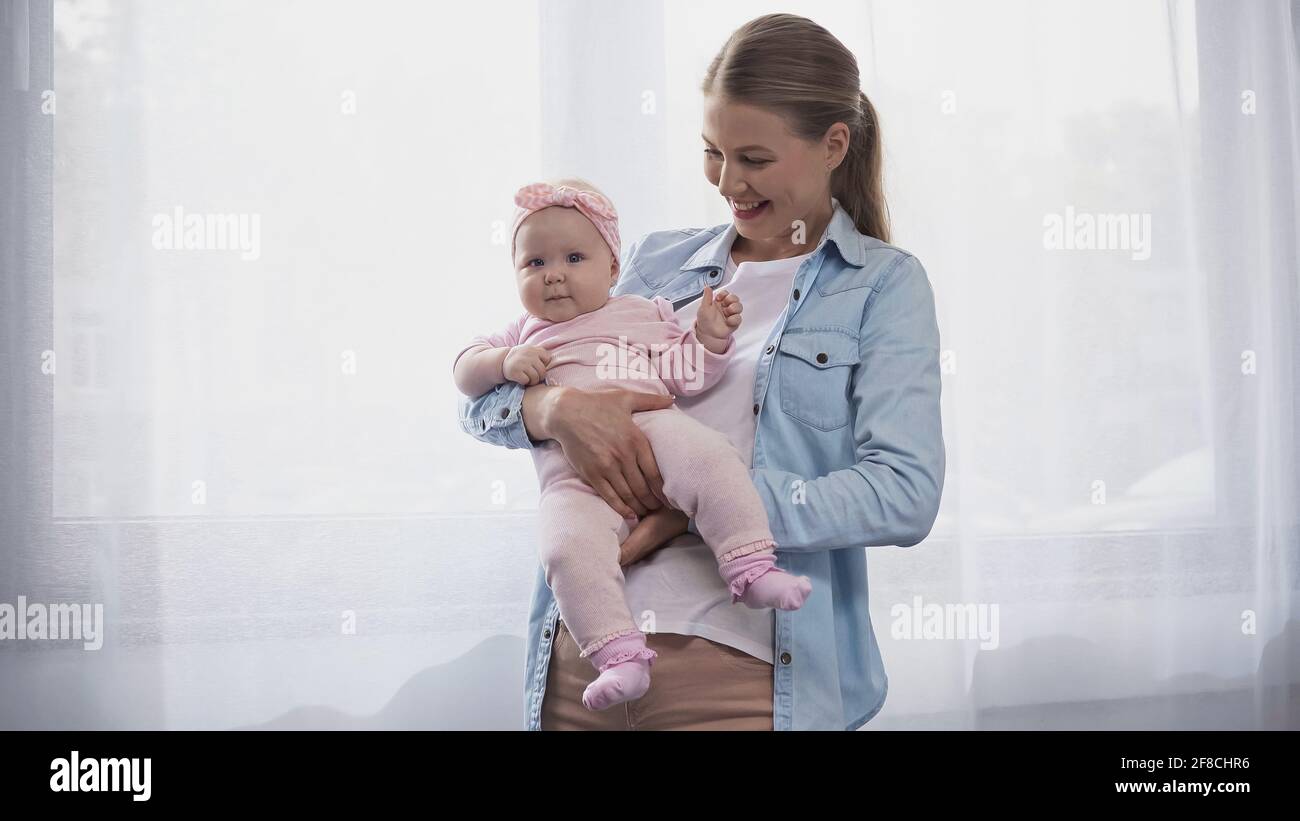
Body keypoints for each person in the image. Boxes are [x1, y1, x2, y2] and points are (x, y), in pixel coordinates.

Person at [458, 13, 945, 730]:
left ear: (833, 145)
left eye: (754, 158)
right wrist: (552, 409)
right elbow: (483, 398)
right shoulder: (655, 262)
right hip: (579, 665)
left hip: (739, 680)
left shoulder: (881, 287)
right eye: (712, 152)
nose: (727, 182)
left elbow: (904, 492)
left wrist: (697, 506)